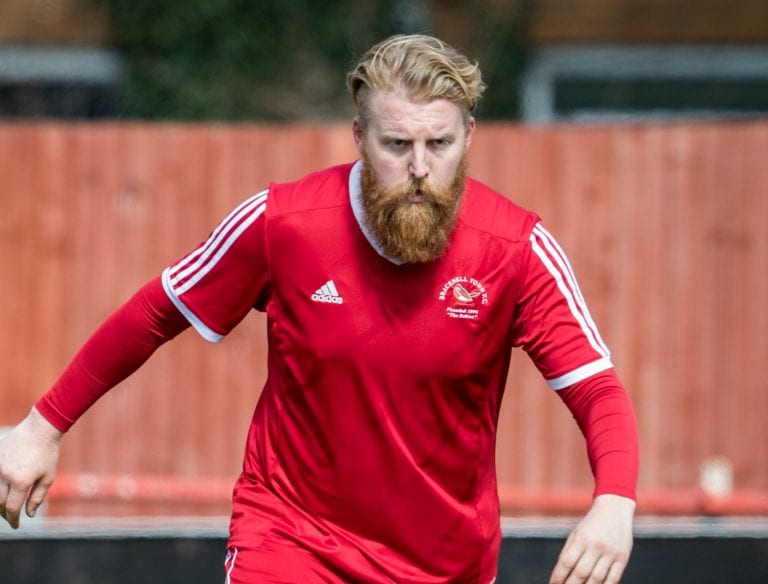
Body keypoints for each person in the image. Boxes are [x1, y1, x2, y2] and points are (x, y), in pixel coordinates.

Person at [0, 34, 638, 583]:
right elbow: (157, 310)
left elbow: (597, 392)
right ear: (359, 137)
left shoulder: (517, 250)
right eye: (396, 144)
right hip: (290, 541)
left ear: (469, 136)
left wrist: (614, 503)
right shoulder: (285, 224)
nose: (419, 169)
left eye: (439, 145)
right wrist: (41, 426)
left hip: (444, 563)